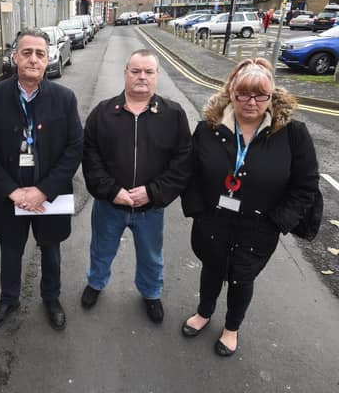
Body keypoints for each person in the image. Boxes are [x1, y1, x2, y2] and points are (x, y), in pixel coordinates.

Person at [180, 58, 319, 357]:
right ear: (231, 92)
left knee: (242, 277)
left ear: (272, 96)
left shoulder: (293, 134)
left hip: (259, 227)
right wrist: (198, 211)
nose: (251, 102)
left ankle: (232, 327)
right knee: (212, 269)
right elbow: (189, 174)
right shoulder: (208, 129)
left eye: (260, 95)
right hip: (212, 221)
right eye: (244, 93)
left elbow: (305, 186)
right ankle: (204, 312)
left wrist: (277, 222)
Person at [0, 28, 83, 331]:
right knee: (10, 250)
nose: (33, 59)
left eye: (40, 53)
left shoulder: (64, 98)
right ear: (15, 56)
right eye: (27, 52)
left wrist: (42, 191)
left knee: (51, 249)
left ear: (48, 59)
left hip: (49, 196)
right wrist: (12, 191)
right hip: (8, 197)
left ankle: (51, 297)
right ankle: (8, 299)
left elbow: (75, 148)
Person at [80, 49, 192, 323]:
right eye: (136, 71)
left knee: (151, 255)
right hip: (109, 205)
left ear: (156, 76)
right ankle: (96, 283)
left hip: (150, 208)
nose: (142, 77)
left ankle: (151, 293)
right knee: (101, 249)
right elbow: (90, 157)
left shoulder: (174, 115)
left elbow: (182, 162)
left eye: (148, 72)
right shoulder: (103, 113)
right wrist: (112, 191)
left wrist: (152, 193)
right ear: (125, 74)